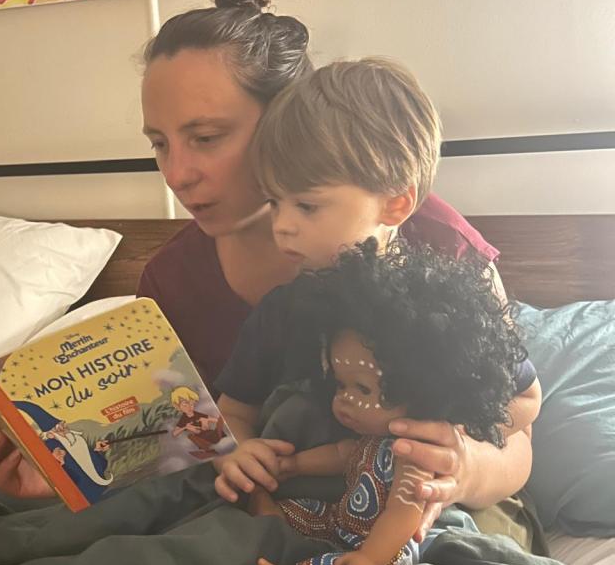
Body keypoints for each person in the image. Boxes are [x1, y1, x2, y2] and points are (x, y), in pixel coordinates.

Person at [0, 0, 534, 537]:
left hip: (427, 510)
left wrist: (464, 471)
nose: (177, 174)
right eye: (160, 144)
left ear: (288, 123)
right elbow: (174, 447)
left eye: (206, 138)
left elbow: (516, 434)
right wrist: (61, 476)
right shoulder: (171, 280)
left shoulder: (431, 238)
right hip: (275, 514)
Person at [212, 56, 541, 510]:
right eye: (274, 202)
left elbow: (526, 400)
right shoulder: (282, 311)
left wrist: (463, 451)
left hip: (422, 509)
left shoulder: (444, 309)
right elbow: (231, 412)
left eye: (307, 206)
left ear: (395, 204)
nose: (281, 225)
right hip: (304, 506)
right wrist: (235, 452)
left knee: (479, 554)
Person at [246, 238, 538, 565]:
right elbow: (341, 455)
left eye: (363, 390)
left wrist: (370, 558)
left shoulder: (412, 454)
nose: (344, 400)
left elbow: (403, 514)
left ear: (419, 392)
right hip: (343, 521)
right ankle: (274, 516)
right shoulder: (371, 438)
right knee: (306, 511)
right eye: (339, 385)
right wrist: (295, 465)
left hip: (386, 550)